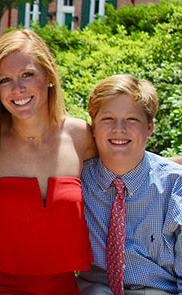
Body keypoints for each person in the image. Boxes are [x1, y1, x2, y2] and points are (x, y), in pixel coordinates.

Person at [0, 29, 96, 294]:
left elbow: (135, 169)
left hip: (63, 287)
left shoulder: (81, 137)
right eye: (5, 80)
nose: (17, 89)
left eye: (28, 75)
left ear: (49, 77)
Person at [76, 74, 182, 295]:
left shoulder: (174, 185)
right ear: (93, 127)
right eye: (108, 119)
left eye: (132, 119)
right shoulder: (77, 180)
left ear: (149, 128)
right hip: (95, 289)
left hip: (159, 289)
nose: (119, 128)